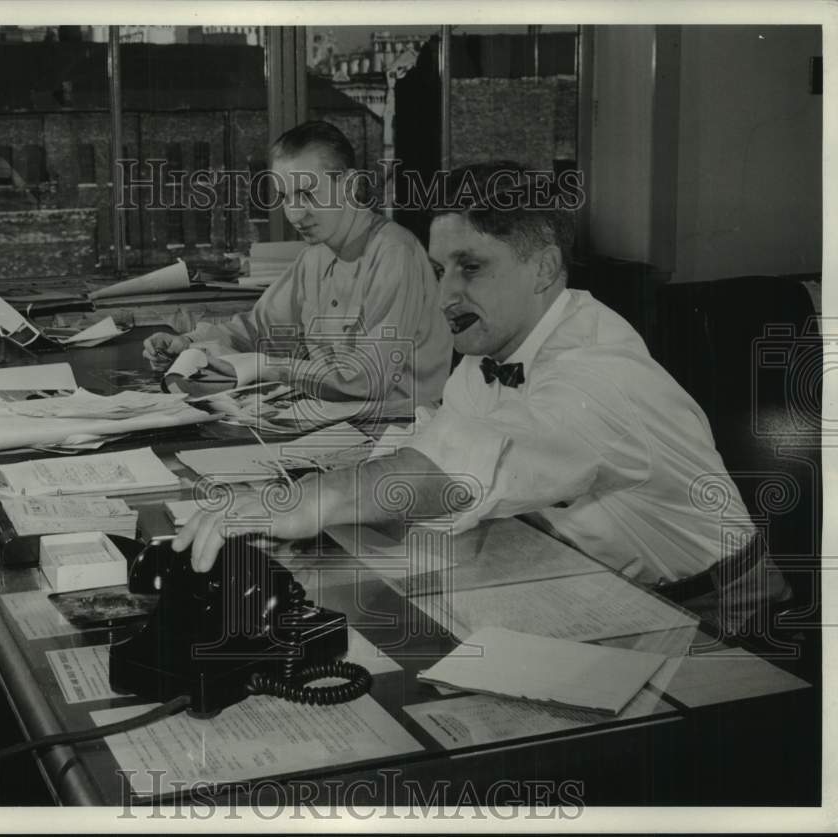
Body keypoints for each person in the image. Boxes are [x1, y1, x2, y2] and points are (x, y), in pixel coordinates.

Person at [173, 165, 787, 631]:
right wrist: (319, 486)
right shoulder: (494, 351)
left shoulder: (598, 373)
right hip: (602, 585)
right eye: (442, 269)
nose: (446, 295)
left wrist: (308, 500)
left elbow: (465, 467)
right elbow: (434, 443)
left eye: (471, 267)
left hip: (723, 618)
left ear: (543, 267)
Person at [143, 120, 452, 408]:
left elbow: (367, 380)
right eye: (285, 197)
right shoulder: (314, 256)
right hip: (335, 419)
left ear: (350, 186)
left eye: (306, 194)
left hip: (400, 429)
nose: (293, 214)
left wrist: (267, 367)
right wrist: (188, 342)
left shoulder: (396, 254)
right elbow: (258, 329)